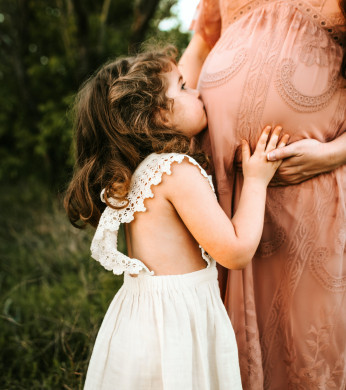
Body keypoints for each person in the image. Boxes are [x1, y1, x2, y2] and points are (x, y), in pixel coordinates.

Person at [64, 47, 289, 389]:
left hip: (141, 320)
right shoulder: (175, 171)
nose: (197, 92)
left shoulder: (138, 173)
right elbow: (235, 251)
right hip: (177, 324)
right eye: (183, 87)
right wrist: (257, 180)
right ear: (159, 115)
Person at [179, 0, 346, 389]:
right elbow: (201, 46)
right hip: (219, 191)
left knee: (304, 344)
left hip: (308, 189)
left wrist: (331, 154)